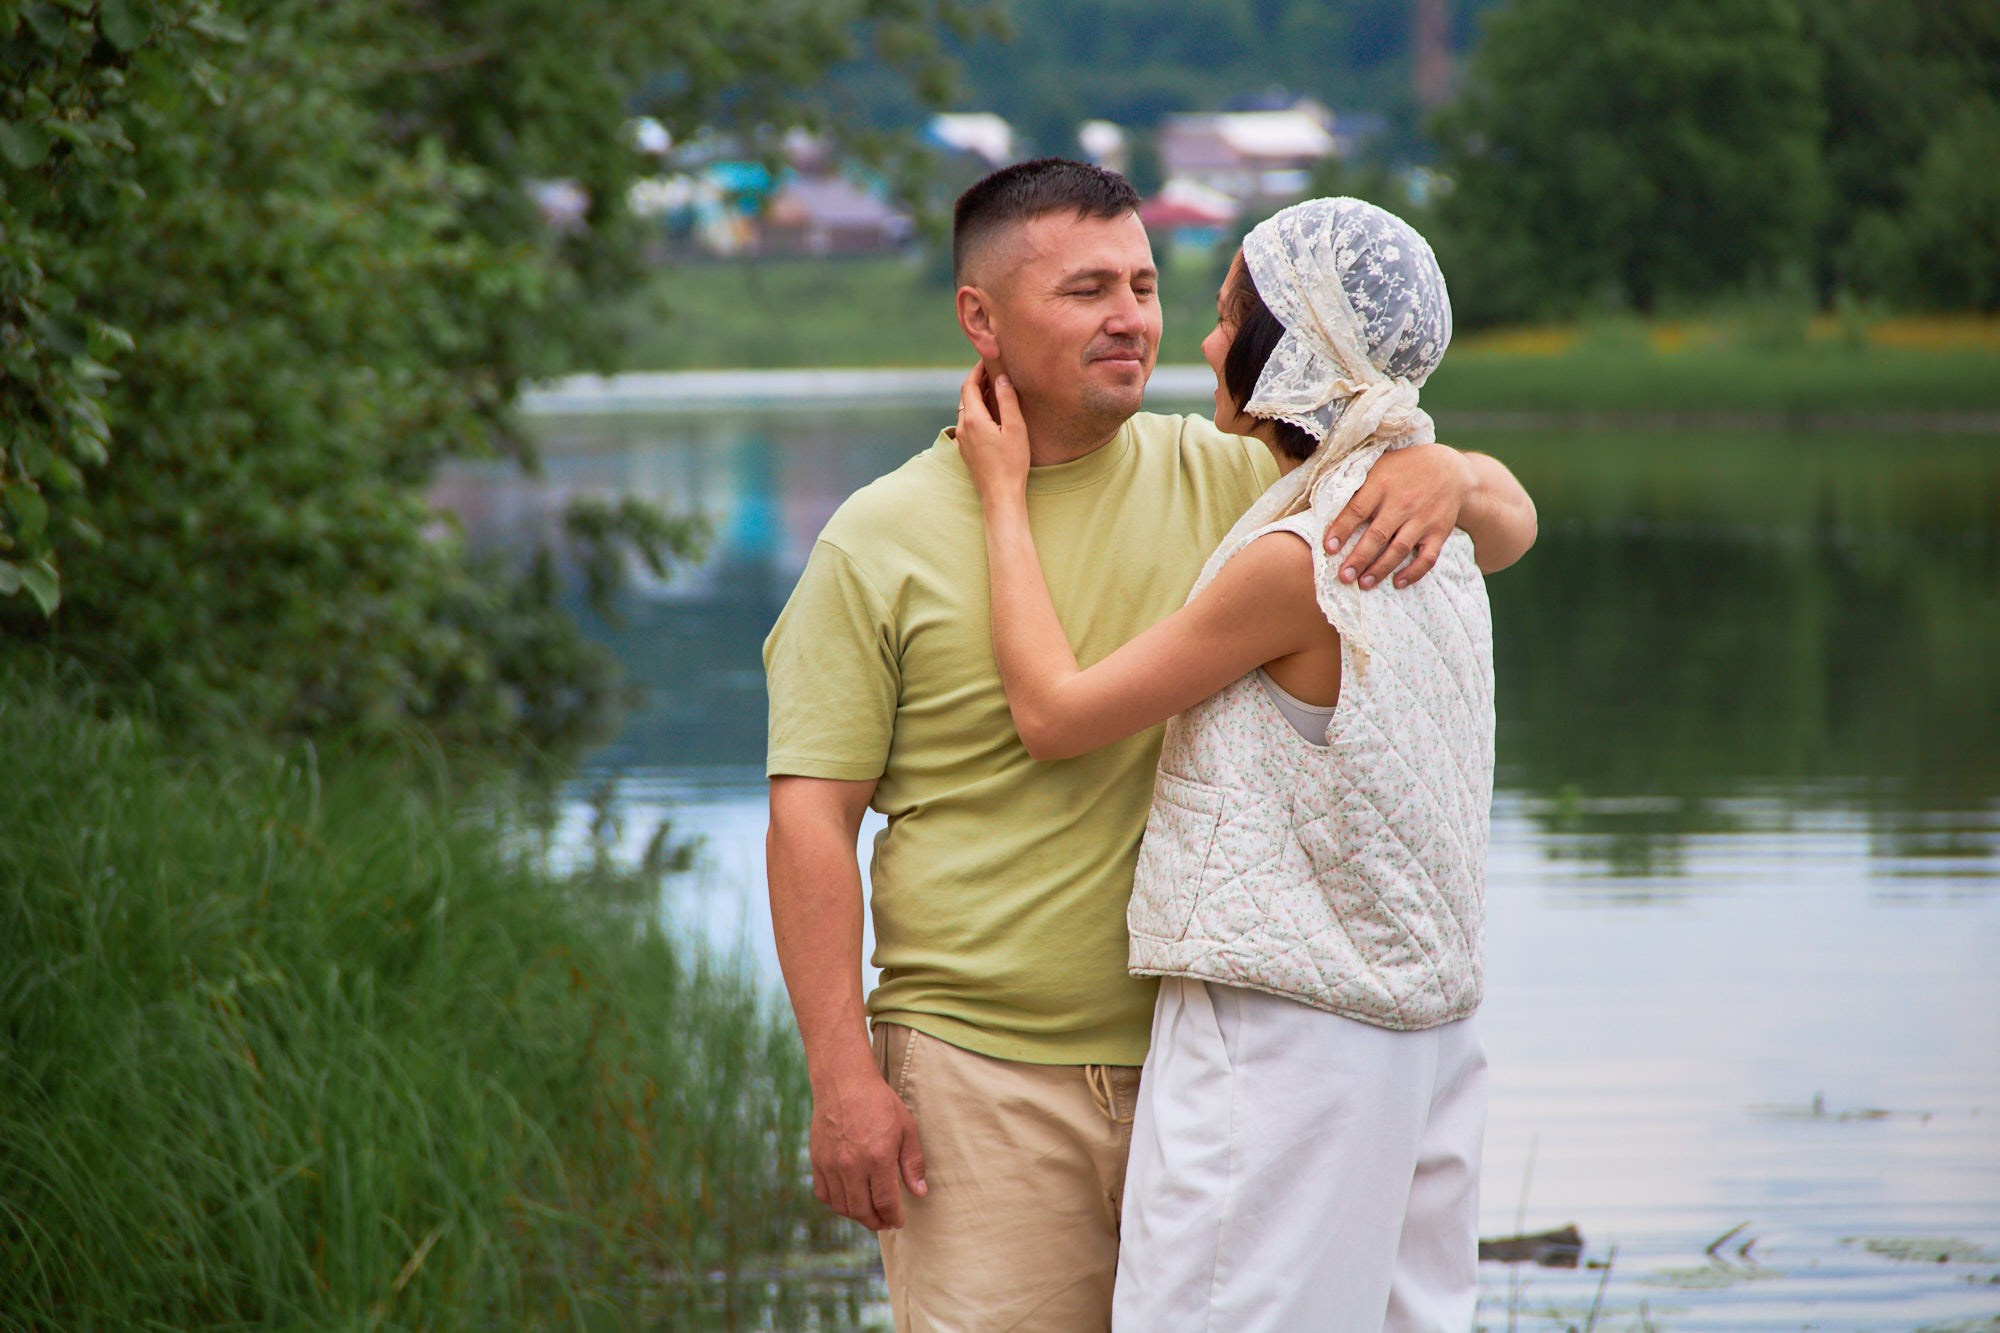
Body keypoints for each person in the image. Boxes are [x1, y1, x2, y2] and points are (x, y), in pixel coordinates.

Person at [763, 161, 1535, 1331]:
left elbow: (1495, 516)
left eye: (1141, 281)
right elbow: (807, 819)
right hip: (987, 1076)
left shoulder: (1246, 476)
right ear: (979, 316)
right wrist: (841, 1079)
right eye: (1084, 289)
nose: (1131, 314)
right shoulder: (877, 537)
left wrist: (1444, 468)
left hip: (1225, 1064)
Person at [953, 196, 1497, 1331]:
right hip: (1429, 1031)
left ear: (1289, 344)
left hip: (1285, 1033)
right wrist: (1450, 466)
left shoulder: (1296, 560)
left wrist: (1002, 499)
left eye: (1222, 318)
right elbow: (1516, 516)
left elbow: (1053, 715)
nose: (1199, 344)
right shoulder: (1429, 529)